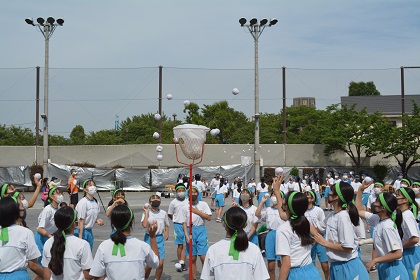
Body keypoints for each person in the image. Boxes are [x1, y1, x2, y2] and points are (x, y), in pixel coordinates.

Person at [313, 181, 369, 280]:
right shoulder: (332, 215)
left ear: (336, 197)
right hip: (337, 266)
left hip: (348, 267)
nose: (328, 193)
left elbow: (348, 247)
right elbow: (317, 230)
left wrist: (325, 243)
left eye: (331, 191)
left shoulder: (343, 217)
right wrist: (298, 214)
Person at [89, 205, 160, 279]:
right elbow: (155, 263)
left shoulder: (104, 246)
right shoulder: (141, 246)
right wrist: (152, 236)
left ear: (112, 223)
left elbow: (97, 274)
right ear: (132, 222)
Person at [356, 180, 409, 279]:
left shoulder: (387, 227)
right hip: (385, 266)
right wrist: (360, 190)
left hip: (394, 269)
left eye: (377, 202)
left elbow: (397, 253)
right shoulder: (377, 219)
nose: (374, 203)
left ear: (383, 208)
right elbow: (359, 210)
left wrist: (374, 260)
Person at [200, 207, 269, 280]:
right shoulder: (254, 250)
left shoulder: (213, 250)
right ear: (245, 225)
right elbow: (261, 277)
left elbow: (206, 277)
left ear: (224, 223)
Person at [276, 190, 322, 280]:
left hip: (295, 274)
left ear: (288, 207)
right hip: (312, 271)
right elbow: (317, 233)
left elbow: (286, 264)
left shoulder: (283, 230)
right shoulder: (304, 222)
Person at [41, 206, 93, 280]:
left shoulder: (48, 243)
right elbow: (88, 275)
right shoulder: (82, 245)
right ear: (75, 224)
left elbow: (46, 275)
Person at [0, 197, 44, 279]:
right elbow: (33, 265)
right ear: (15, 213)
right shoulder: (25, 233)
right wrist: (46, 276)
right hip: (19, 276)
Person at [182, 186, 212, 280]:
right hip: (190, 231)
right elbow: (183, 222)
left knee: (203, 257)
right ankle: (193, 277)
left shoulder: (203, 204)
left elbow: (209, 217)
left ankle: (205, 276)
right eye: (191, 192)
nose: (193, 194)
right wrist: (186, 235)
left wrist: (197, 212)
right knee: (192, 258)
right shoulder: (185, 206)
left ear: (198, 194)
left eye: (195, 192)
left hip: (201, 230)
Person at [255, 191, 284, 280]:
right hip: (270, 235)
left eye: (276, 195)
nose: (273, 196)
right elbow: (257, 214)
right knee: (271, 265)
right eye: (272, 195)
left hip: (281, 235)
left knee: (281, 264)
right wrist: (262, 202)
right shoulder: (268, 209)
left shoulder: (284, 210)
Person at [142, 194, 169, 280]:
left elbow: (166, 224)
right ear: (150, 202)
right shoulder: (147, 213)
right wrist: (146, 212)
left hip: (159, 239)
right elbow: (144, 224)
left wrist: (166, 232)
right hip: (149, 238)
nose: (156, 200)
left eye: (158, 198)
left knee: (160, 263)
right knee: (149, 264)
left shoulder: (163, 213)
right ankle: (144, 278)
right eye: (153, 199)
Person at [395, 187, 420, 280]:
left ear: (405, 200)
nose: (395, 198)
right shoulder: (401, 214)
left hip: (412, 254)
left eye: (397, 196)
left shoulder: (407, 216)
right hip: (407, 251)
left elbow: (414, 239)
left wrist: (399, 247)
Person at [304, 190, 329, 280]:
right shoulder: (302, 211)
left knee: (325, 265)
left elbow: (323, 226)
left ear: (313, 199)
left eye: (309, 196)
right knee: (311, 263)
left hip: (319, 238)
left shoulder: (318, 210)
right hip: (308, 239)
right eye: (306, 195)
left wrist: (316, 236)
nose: (307, 197)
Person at [35, 187, 63, 264]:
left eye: (61, 193)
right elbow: (40, 229)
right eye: (58, 193)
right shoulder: (48, 210)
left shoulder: (59, 209)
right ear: (52, 197)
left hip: (52, 237)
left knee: (50, 264)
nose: (60, 195)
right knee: (42, 266)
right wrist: (50, 237)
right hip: (42, 238)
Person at [74, 179, 104, 250]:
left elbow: (93, 216)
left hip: (89, 231)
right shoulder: (83, 202)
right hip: (82, 231)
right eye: (90, 185)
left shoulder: (96, 202)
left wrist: (97, 220)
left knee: (88, 253)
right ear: (85, 189)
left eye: (94, 185)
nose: (92, 187)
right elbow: (81, 220)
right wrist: (80, 238)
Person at [167, 182, 189, 272]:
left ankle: (183, 262)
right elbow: (170, 214)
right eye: (179, 191)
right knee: (180, 245)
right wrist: (175, 220)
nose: (181, 192)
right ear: (176, 192)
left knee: (187, 244)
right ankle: (180, 262)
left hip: (187, 225)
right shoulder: (173, 202)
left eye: (182, 190)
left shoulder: (188, 201)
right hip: (178, 225)